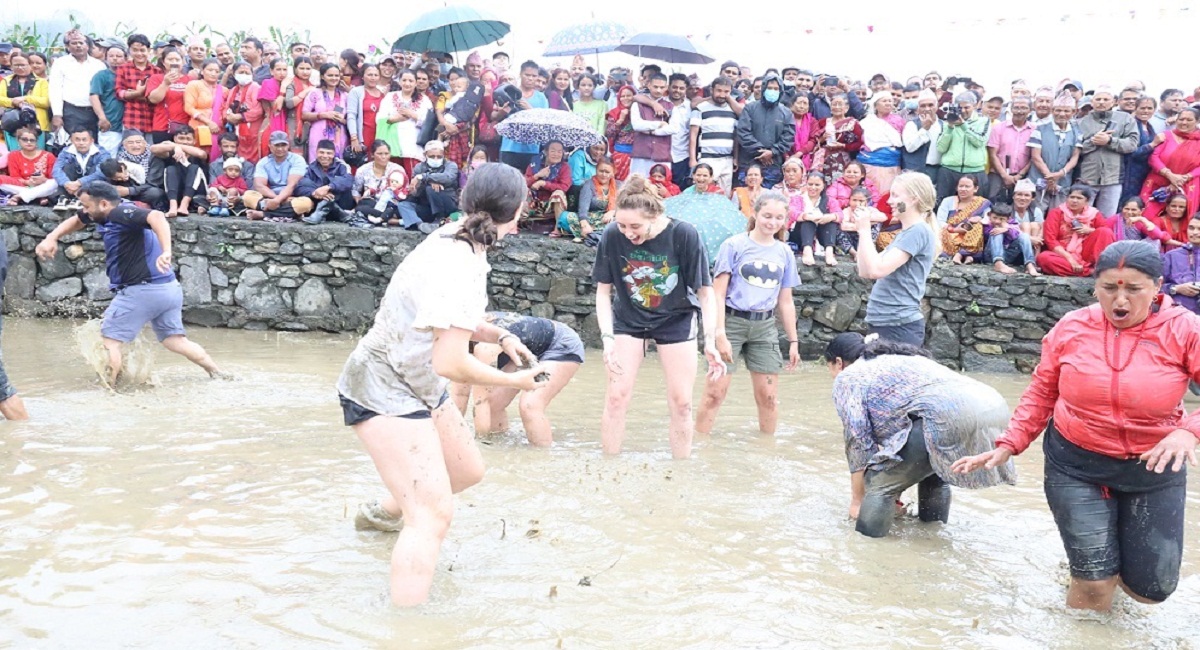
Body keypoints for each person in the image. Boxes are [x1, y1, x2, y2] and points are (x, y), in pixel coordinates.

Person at [337, 163, 548, 607]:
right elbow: (450, 361)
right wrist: (519, 381)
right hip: (383, 384)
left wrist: (499, 334)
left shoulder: (463, 238)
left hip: (415, 379)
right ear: (515, 210)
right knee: (432, 515)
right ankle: (407, 629)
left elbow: (448, 319)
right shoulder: (457, 260)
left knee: (466, 470)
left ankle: (380, 515)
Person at [955, 241, 1200, 611]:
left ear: (1157, 287)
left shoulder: (1185, 329)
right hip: (1076, 462)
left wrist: (1188, 431)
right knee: (1094, 583)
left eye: (1133, 289)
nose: (1120, 300)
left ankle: (1106, 563)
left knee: (1151, 590)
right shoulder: (1072, 327)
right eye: (1109, 288)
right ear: (1094, 286)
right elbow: (1042, 390)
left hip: (1152, 466)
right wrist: (1010, 442)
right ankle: (1088, 591)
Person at [34, 180, 225, 385]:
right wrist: (52, 237)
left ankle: (109, 390)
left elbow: (157, 216)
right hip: (168, 289)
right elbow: (78, 220)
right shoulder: (108, 212)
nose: (84, 210)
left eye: (87, 206)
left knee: (109, 341)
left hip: (140, 291)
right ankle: (218, 373)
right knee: (175, 341)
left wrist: (167, 251)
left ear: (104, 204)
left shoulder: (120, 213)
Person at [827, 333, 1015, 538]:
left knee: (879, 485)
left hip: (947, 414)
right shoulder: (904, 358)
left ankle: (867, 553)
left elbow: (858, 440)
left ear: (838, 363)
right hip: (993, 407)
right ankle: (932, 536)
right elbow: (903, 445)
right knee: (934, 473)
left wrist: (858, 501)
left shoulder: (849, 376)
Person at [593, 175, 725, 459]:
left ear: (655, 216)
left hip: (675, 319)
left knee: (681, 403)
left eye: (635, 226)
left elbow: (705, 292)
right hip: (628, 320)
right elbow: (603, 293)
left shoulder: (683, 234)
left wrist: (710, 341)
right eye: (622, 224)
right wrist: (607, 340)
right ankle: (608, 468)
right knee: (616, 397)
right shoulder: (612, 236)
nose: (628, 232)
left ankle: (681, 473)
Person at [695, 191, 800, 436]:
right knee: (714, 394)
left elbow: (786, 301)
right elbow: (717, 294)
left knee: (769, 397)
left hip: (764, 327)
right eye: (767, 216)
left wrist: (794, 341)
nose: (772, 222)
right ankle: (699, 445)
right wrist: (718, 334)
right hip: (731, 322)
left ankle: (767, 450)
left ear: (785, 220)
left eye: (778, 218)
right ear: (755, 213)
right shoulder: (734, 245)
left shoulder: (784, 253)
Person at [450, 312, 583, 447]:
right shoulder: (452, 347)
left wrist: (481, 444)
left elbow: (481, 400)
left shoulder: (484, 346)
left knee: (529, 405)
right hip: (524, 349)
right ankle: (500, 445)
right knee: (494, 403)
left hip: (558, 343)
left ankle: (542, 456)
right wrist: (451, 436)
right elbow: (459, 394)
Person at [855, 172, 940, 346]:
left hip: (899, 325)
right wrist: (861, 231)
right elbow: (865, 270)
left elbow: (877, 270)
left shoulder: (918, 231)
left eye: (895, 195)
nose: (889, 201)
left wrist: (864, 230)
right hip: (884, 322)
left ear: (914, 199)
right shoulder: (904, 234)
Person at [1075, 87, 1138, 216]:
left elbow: (1132, 144)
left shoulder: (1125, 119)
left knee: (1107, 218)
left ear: (1114, 102)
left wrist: (1110, 141)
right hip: (1086, 178)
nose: (1101, 102)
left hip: (1113, 178)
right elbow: (1074, 150)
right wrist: (1093, 141)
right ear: (1092, 102)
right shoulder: (1080, 123)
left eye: (1105, 99)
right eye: (1098, 99)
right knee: (1081, 216)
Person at [1035, 185, 1118, 276]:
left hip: (1086, 254)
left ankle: (1099, 268)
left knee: (1105, 232)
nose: (1074, 201)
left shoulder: (1094, 214)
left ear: (1086, 201)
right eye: (1072, 197)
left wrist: (1090, 230)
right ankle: (1091, 272)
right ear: (1067, 198)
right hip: (1063, 254)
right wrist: (1070, 259)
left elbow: (1107, 233)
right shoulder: (1056, 213)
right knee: (1044, 258)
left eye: (1079, 198)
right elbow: (1050, 240)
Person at [1140, 107, 1200, 223]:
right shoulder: (1165, 136)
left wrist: (1185, 177)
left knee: (1181, 217)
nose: (1184, 122)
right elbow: (1153, 157)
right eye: (1181, 119)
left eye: (1189, 120)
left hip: (1187, 183)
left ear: (1197, 121)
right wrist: (1170, 175)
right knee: (1147, 214)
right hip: (1159, 181)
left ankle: (1177, 240)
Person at [735, 74, 794, 188]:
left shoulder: (786, 113)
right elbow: (743, 132)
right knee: (747, 199)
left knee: (769, 201)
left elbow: (788, 137)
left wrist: (772, 152)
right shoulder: (750, 108)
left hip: (773, 164)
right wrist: (760, 151)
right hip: (749, 162)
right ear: (763, 89)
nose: (772, 91)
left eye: (776, 89)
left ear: (781, 91)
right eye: (769, 88)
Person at [1028, 94, 1082, 214]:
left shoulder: (1076, 132)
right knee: (1037, 214)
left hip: (1062, 182)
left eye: (1066, 111)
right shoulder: (1039, 129)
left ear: (1073, 112)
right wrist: (1050, 178)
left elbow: (1075, 156)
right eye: (1058, 110)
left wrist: (1060, 173)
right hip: (1039, 181)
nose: (1062, 114)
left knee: (1057, 216)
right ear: (1052, 111)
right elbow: (1035, 156)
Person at [243, 131, 313, 221]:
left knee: (306, 203)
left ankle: (263, 214)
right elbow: (259, 186)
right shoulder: (263, 162)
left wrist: (277, 201)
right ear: (270, 145)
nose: (280, 149)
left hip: (291, 196)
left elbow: (292, 185)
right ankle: (289, 213)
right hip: (273, 197)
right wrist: (275, 199)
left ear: (288, 145)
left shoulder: (297, 160)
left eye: (283, 145)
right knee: (248, 196)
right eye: (277, 145)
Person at [49, 29, 107, 138]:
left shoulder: (98, 65)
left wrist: (102, 116)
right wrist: (57, 114)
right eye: (74, 43)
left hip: (94, 112)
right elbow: (55, 89)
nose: (78, 46)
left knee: (94, 143)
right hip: (71, 111)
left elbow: (104, 90)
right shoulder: (60, 63)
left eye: (81, 43)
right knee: (74, 143)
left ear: (87, 46)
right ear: (67, 46)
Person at [689, 77, 741, 195]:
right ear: (712, 90)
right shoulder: (700, 108)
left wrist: (735, 158)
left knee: (724, 196)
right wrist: (692, 159)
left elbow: (735, 136)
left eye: (726, 92)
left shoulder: (733, 110)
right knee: (704, 193)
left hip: (727, 159)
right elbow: (693, 135)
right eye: (719, 90)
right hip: (707, 158)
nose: (722, 95)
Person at [935, 91, 990, 201]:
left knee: (975, 207)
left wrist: (963, 126)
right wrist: (950, 127)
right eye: (960, 108)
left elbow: (980, 141)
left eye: (967, 107)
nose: (963, 111)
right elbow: (941, 148)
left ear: (975, 106)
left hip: (975, 171)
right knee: (943, 204)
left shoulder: (983, 121)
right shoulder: (947, 122)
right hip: (949, 170)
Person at [494, 61, 548, 171]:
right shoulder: (509, 92)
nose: (530, 78)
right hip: (509, 146)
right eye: (527, 75)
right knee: (506, 182)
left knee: (528, 184)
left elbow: (545, 123)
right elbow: (493, 117)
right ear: (520, 74)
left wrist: (530, 109)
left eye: (534, 76)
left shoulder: (541, 97)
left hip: (531, 148)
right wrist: (502, 112)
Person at [377, 70, 431, 178]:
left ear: (416, 83)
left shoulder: (424, 100)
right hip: (392, 143)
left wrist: (412, 115)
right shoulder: (390, 97)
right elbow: (379, 118)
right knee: (393, 176)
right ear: (400, 82)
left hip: (413, 145)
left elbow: (429, 123)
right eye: (404, 80)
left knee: (412, 175)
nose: (407, 83)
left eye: (411, 81)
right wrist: (395, 119)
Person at [628, 73, 680, 179]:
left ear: (666, 87)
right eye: (655, 87)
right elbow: (637, 125)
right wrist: (660, 124)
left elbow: (674, 128)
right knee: (637, 186)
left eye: (662, 87)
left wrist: (653, 132)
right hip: (641, 154)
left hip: (662, 155)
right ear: (649, 85)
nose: (658, 90)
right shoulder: (638, 104)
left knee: (660, 187)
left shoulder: (671, 107)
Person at [151, 125, 209, 217]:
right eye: (181, 138)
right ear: (174, 138)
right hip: (176, 193)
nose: (185, 141)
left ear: (194, 141)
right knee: (170, 169)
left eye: (188, 139)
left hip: (196, 194)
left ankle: (184, 205)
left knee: (194, 168)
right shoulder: (170, 153)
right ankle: (173, 207)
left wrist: (176, 145)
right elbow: (153, 149)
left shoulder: (197, 152)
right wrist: (174, 148)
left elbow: (201, 154)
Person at [986, 96, 1034, 203]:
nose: (1019, 111)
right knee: (993, 203)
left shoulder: (1034, 130)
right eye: (1016, 108)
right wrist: (1004, 175)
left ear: (1030, 110)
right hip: (998, 175)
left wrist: (1020, 175)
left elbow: (1034, 156)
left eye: (1024, 108)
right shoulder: (999, 128)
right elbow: (993, 154)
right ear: (1011, 109)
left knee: (1019, 206)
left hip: (1022, 176)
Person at [558, 156, 618, 241]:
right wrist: (584, 224)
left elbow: (626, 207)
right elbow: (583, 209)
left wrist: (612, 211)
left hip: (609, 219)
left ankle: (596, 234)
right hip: (590, 218)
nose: (604, 174)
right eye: (601, 171)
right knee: (565, 217)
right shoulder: (589, 185)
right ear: (596, 170)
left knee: (621, 221)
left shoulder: (619, 186)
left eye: (607, 172)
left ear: (613, 173)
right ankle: (596, 234)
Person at [404, 139, 460, 228]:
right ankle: (419, 224)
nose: (436, 159)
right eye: (432, 156)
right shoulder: (419, 167)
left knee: (431, 189)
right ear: (425, 155)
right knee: (404, 205)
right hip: (427, 206)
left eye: (439, 156)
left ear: (443, 155)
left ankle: (439, 218)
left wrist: (424, 177)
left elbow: (448, 178)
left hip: (447, 205)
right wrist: (429, 182)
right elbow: (416, 193)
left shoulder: (451, 165)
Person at [296, 139, 355, 224]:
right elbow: (300, 187)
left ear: (334, 154)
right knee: (306, 183)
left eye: (329, 153)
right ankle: (333, 209)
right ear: (316, 153)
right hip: (319, 207)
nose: (325, 156)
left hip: (342, 205)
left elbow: (349, 181)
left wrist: (328, 187)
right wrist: (315, 193)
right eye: (321, 152)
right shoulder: (310, 167)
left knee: (341, 183)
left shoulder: (342, 165)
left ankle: (323, 210)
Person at [1, 53, 51, 152]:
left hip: (37, 124)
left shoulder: (41, 82)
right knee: (15, 155)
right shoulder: (6, 81)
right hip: (12, 124)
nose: (20, 67)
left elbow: (46, 102)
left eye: (23, 65)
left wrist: (26, 99)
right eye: (16, 65)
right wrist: (14, 102)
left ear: (29, 65)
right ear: (11, 66)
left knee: (37, 154)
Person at [936, 175, 991, 264]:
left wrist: (979, 219)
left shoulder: (982, 203)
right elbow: (939, 221)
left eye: (967, 186)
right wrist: (954, 229)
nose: (963, 189)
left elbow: (989, 220)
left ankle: (960, 254)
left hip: (971, 236)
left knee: (978, 226)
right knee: (942, 232)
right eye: (961, 186)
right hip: (952, 233)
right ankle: (968, 255)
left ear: (976, 189)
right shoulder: (948, 201)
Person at [51, 127, 111, 207]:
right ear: (72, 141)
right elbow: (56, 169)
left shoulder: (102, 153)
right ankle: (63, 198)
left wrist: (79, 183)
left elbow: (101, 173)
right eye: (77, 140)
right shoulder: (65, 151)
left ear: (91, 141)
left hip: (90, 186)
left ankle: (81, 198)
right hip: (70, 186)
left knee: (98, 170)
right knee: (67, 167)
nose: (81, 143)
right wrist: (66, 183)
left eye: (84, 139)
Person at [857, 92, 904, 193]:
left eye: (890, 101)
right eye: (884, 101)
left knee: (889, 193)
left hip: (891, 164)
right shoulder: (867, 122)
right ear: (876, 105)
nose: (888, 103)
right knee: (870, 192)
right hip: (870, 163)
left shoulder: (899, 120)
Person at [810, 93, 862, 183]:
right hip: (823, 159)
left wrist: (843, 145)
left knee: (840, 183)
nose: (837, 107)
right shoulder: (822, 122)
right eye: (834, 104)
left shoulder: (852, 124)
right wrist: (823, 139)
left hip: (843, 160)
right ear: (830, 107)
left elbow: (859, 144)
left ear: (846, 108)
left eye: (840, 104)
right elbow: (814, 140)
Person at [302, 63, 349, 161]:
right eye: (330, 75)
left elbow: (350, 119)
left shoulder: (344, 95)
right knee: (317, 161)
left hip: (339, 136)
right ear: (323, 76)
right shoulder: (315, 93)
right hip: (318, 133)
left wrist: (343, 120)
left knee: (338, 164)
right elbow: (304, 115)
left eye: (336, 75)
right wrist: (323, 115)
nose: (334, 78)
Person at [0, 126, 58, 205]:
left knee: (54, 183)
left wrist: (43, 180)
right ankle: (39, 196)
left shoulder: (48, 156)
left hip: (44, 185)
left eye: (32, 140)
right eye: (24, 139)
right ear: (18, 140)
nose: (29, 142)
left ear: (36, 141)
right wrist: (28, 182)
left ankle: (19, 197)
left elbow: (53, 178)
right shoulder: (13, 155)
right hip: (23, 186)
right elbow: (15, 177)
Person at [115, 35, 159, 137]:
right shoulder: (123, 69)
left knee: (151, 151)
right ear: (129, 50)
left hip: (152, 119)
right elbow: (119, 93)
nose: (139, 54)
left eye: (142, 50)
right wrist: (139, 93)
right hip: (132, 119)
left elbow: (158, 97)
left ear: (149, 50)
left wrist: (133, 94)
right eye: (135, 50)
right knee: (132, 150)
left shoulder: (156, 71)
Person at [220, 60, 263, 163]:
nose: (244, 75)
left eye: (247, 73)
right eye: (241, 72)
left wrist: (240, 117)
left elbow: (258, 110)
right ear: (234, 74)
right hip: (236, 129)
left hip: (252, 128)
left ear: (252, 74)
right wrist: (227, 116)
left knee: (253, 155)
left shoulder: (255, 87)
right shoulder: (233, 90)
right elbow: (225, 107)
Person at [145, 49, 191, 145]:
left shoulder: (189, 80)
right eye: (170, 59)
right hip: (162, 126)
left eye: (177, 60)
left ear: (183, 62)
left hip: (185, 128)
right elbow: (153, 99)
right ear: (163, 62)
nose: (174, 62)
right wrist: (165, 83)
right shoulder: (156, 78)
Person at [1123, 96, 1162, 203]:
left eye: (1149, 108)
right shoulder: (1131, 125)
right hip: (1129, 172)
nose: (1146, 111)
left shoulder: (1150, 127)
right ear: (1136, 109)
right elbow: (1130, 152)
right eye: (1142, 108)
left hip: (1144, 172)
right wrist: (1152, 144)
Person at [89, 46, 127, 154]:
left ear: (125, 58)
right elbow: (94, 96)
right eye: (111, 56)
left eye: (119, 56)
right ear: (106, 58)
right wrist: (102, 118)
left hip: (129, 123)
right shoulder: (101, 76)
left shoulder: (129, 75)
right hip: (110, 123)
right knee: (109, 156)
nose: (115, 59)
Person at [795, 172, 838, 266]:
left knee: (831, 221)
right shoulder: (798, 199)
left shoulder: (830, 200)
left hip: (821, 234)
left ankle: (829, 252)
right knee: (807, 221)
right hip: (800, 234)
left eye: (817, 185)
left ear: (823, 186)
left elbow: (840, 214)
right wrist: (807, 216)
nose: (813, 187)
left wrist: (830, 217)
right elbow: (792, 213)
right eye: (810, 184)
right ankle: (807, 250)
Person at [983, 203, 1039, 275]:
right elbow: (986, 233)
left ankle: (1030, 264)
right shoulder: (986, 223)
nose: (997, 221)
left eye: (1001, 219)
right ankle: (998, 263)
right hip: (991, 255)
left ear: (1008, 219)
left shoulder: (1013, 223)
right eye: (994, 218)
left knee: (1024, 236)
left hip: (1008, 255)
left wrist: (1007, 229)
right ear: (989, 215)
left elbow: (1017, 233)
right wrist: (1000, 229)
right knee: (997, 231)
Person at [1161, 213, 1200, 314]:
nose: (1195, 232)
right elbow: (1154, 287)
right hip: (1177, 316)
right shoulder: (1171, 256)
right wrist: (1177, 289)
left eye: (1199, 229)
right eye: (1191, 228)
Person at [901, 89, 943, 183]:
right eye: (923, 106)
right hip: (916, 172)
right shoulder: (911, 125)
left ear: (937, 106)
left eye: (930, 105)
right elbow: (910, 147)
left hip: (938, 170)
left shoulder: (943, 125)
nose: (927, 109)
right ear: (918, 108)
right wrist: (924, 129)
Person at [605, 85, 636, 181]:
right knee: (619, 183)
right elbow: (609, 134)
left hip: (638, 156)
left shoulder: (640, 112)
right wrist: (620, 120)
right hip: (620, 155)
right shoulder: (614, 113)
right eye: (623, 96)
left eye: (629, 95)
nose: (625, 98)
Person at [1011, 178, 1044, 247]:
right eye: (1019, 194)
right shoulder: (1007, 210)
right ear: (1013, 196)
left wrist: (1038, 238)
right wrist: (1029, 238)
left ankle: (1034, 257)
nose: (1023, 198)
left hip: (1034, 242)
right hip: (1012, 242)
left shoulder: (1036, 211)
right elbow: (1008, 230)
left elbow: (1042, 228)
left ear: (1032, 198)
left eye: (1027, 195)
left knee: (1035, 225)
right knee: (1025, 225)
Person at [788, 93, 817, 169]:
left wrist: (799, 154)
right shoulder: (786, 119)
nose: (802, 106)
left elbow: (813, 140)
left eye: (805, 104)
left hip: (806, 157)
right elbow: (781, 137)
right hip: (787, 157)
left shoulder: (812, 121)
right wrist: (787, 157)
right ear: (792, 105)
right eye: (799, 103)